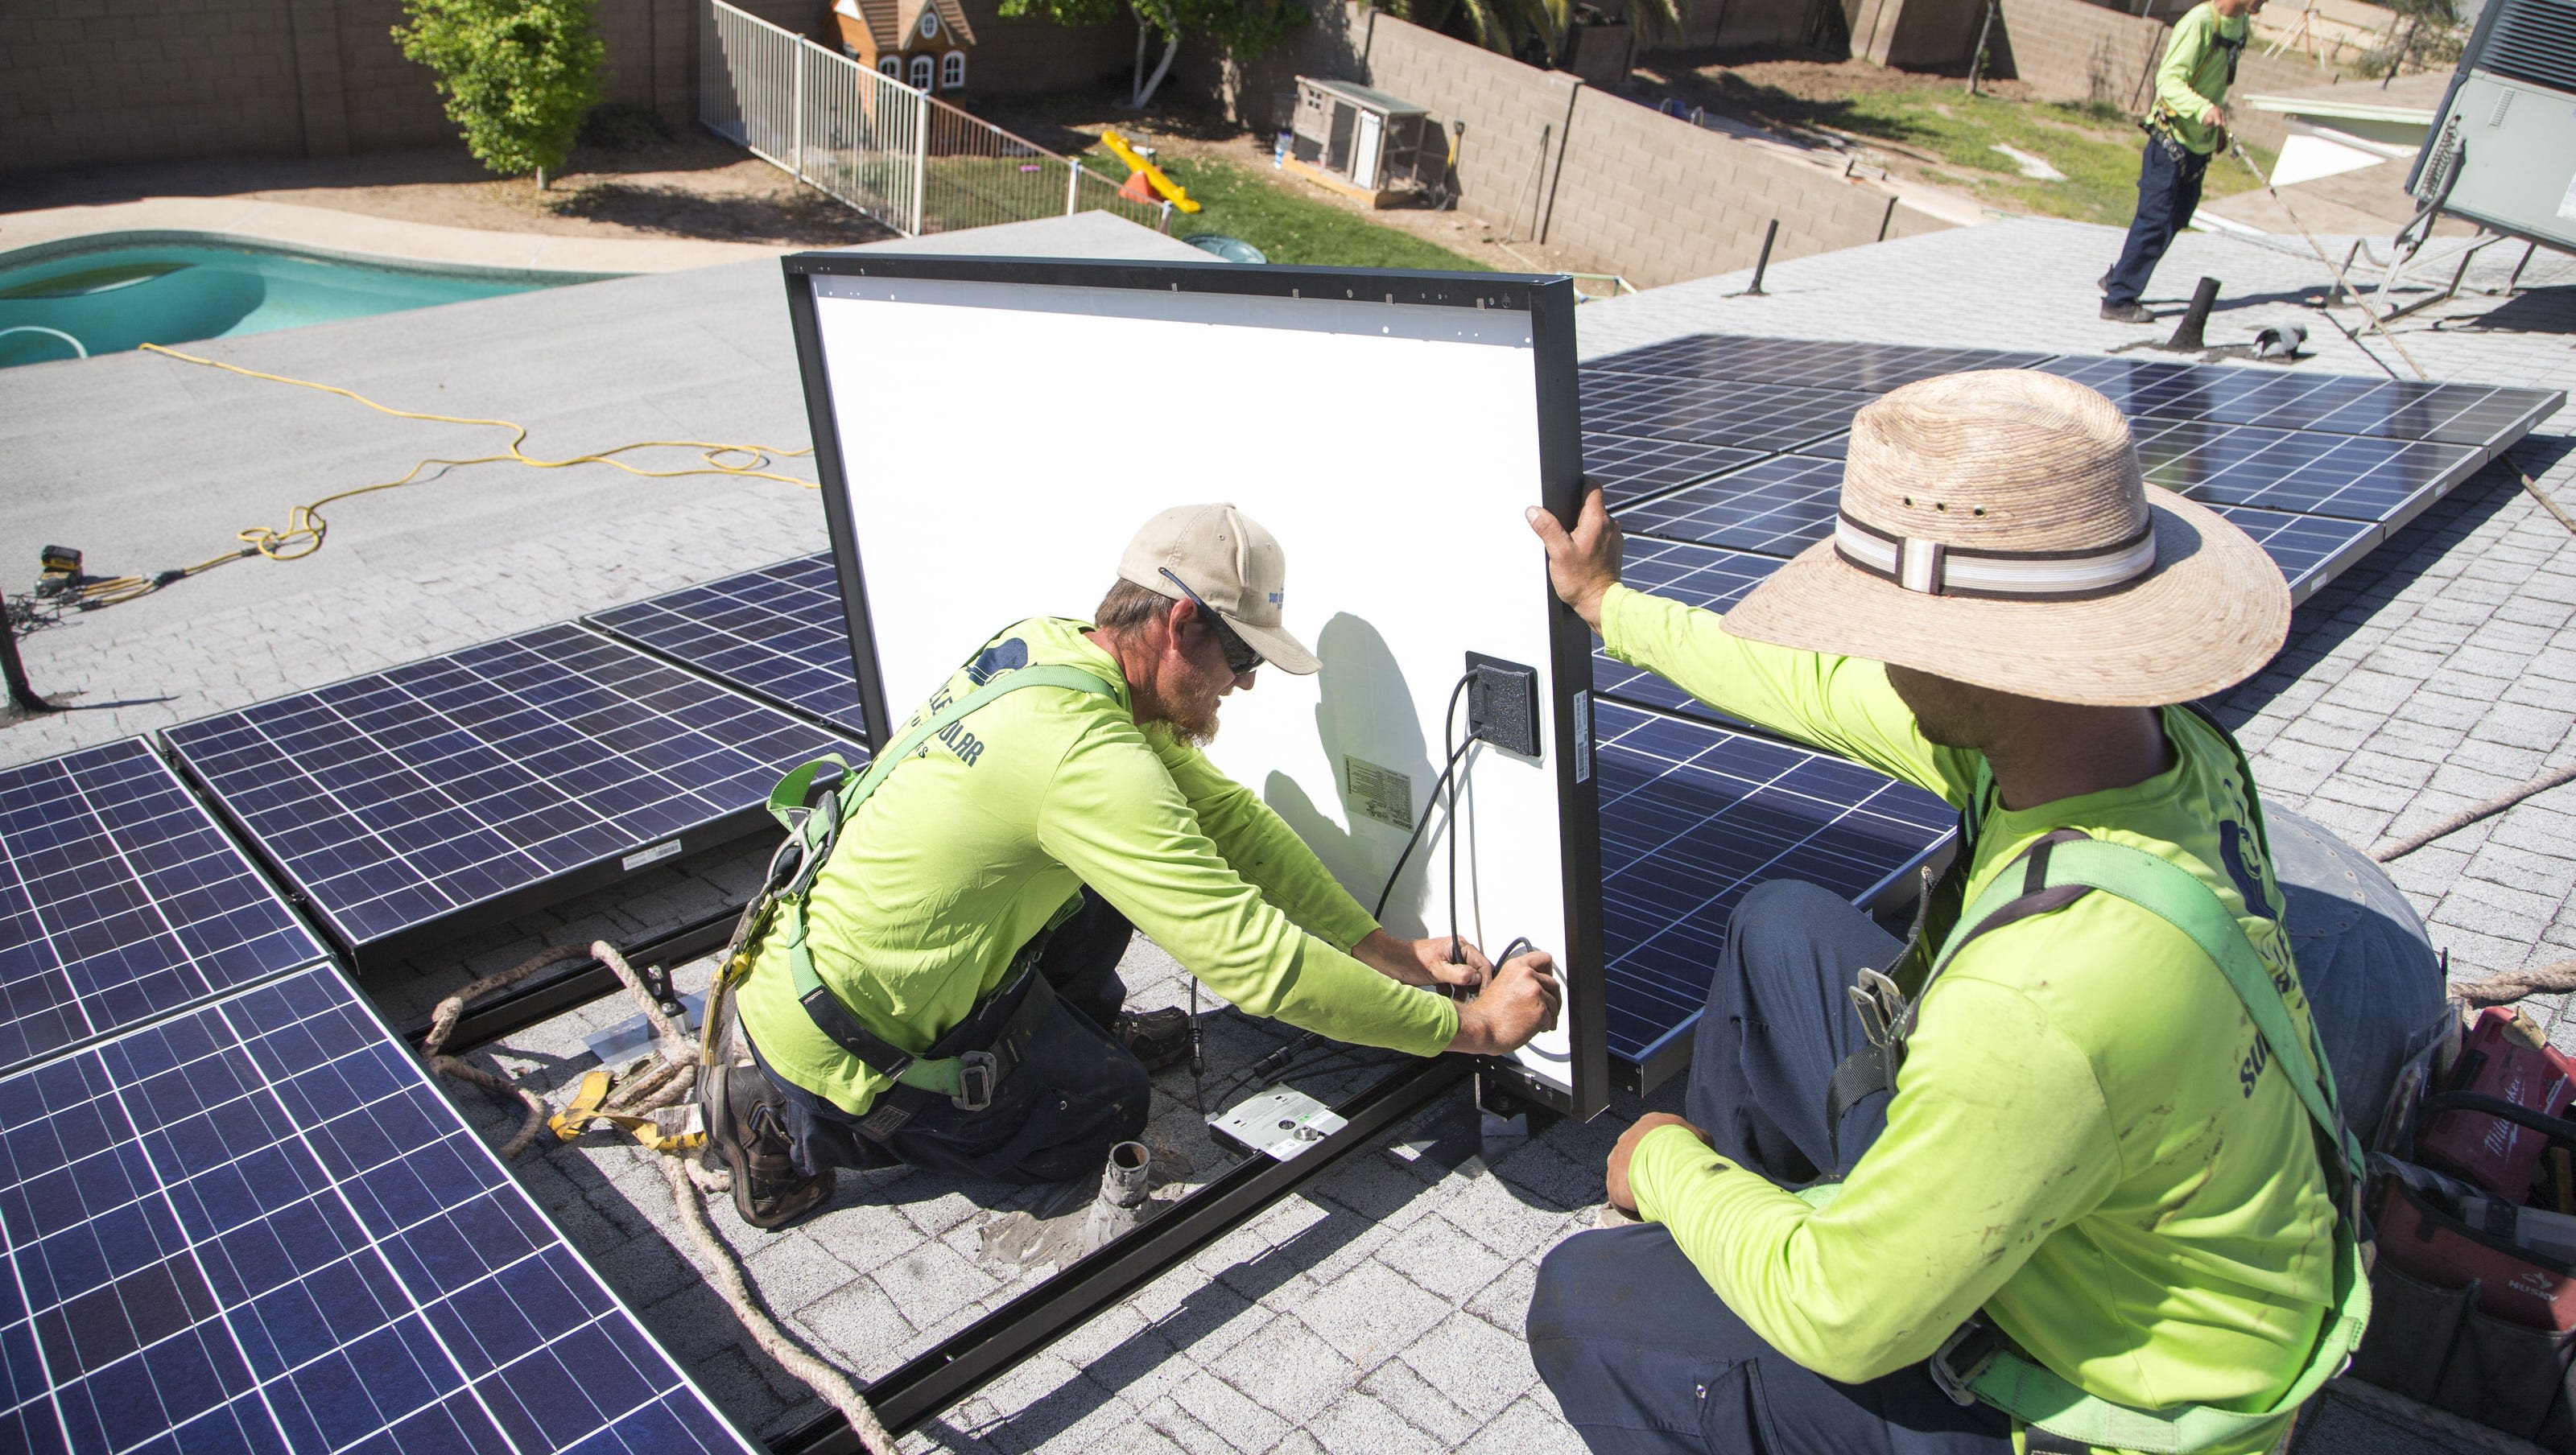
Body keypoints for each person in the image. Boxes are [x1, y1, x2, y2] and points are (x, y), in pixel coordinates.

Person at [1521, 369, 2429, 1454]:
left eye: (1885, 623)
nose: (1868, 649)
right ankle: (1745, 1250)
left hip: (2104, 1404)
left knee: (1582, 1302)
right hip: (2086, 1206)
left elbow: (1846, 1318)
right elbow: (1800, 684)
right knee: (1782, 929)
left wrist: (1666, 1166)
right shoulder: (2130, 749)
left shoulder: (2039, 1000)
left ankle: (1741, 1279)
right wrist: (1607, 606)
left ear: (1973, 657)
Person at [704, 502, 1563, 1227]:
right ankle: (780, 1120)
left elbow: (1227, 820)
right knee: (1103, 1108)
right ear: (1182, 621)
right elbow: (1259, 966)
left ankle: (1055, 1032)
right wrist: (1474, 1031)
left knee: (1127, 867)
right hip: (837, 1040)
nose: (1248, 683)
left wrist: (1387, 950)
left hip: (836, 957)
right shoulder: (1087, 760)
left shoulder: (1053, 646)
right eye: (1246, 656)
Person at [2102, 0, 2264, 324]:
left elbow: (2215, 81)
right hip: (2170, 139)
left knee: (2177, 217)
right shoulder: (2200, 22)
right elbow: (2169, 81)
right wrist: (2201, 109)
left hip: (2198, 144)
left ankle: (2121, 274)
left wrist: (2213, 124)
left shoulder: (2241, 24)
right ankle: (2119, 299)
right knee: (2154, 219)